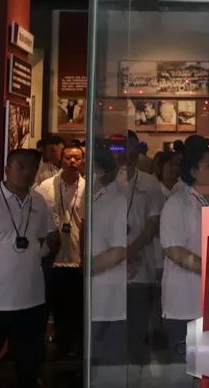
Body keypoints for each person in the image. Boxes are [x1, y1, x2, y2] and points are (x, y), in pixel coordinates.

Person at [0, 149, 60, 388]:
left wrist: (35, 261)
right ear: (7, 169)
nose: (27, 173)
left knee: (29, 365)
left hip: (31, 298)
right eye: (21, 166)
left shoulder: (39, 201)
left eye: (32, 168)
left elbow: (48, 238)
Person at [160, 138, 209, 359]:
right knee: (183, 369)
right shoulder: (176, 204)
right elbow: (174, 251)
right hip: (184, 304)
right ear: (193, 170)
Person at [119, 132, 166, 367]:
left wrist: (131, 250)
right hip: (108, 270)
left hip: (141, 268)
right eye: (123, 149)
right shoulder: (102, 182)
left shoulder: (150, 183)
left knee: (138, 327)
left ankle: (139, 372)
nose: (129, 154)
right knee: (111, 330)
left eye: (133, 149)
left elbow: (153, 223)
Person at [34, 143, 85, 360]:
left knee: (73, 310)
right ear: (61, 160)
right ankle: (42, 353)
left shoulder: (89, 188)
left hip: (78, 258)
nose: (72, 161)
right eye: (68, 157)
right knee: (46, 305)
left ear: (83, 161)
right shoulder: (44, 188)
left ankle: (71, 353)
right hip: (51, 258)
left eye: (77, 158)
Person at [89, 148, 129, 387]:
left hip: (108, 292)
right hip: (89, 292)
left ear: (100, 171)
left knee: (109, 364)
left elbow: (119, 250)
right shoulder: (87, 197)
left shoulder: (115, 201)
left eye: (89, 167)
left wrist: (87, 268)